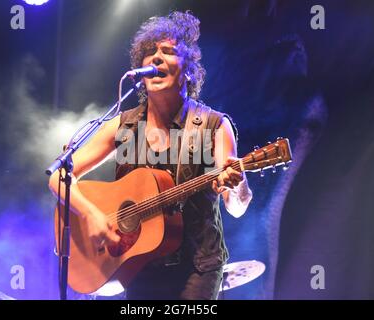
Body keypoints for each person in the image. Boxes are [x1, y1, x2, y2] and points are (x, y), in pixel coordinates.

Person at [49, 11, 253, 300]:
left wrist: (239, 184)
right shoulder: (122, 125)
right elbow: (59, 176)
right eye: (149, 53)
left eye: (167, 52)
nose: (155, 58)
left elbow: (237, 207)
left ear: (189, 71)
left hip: (198, 269)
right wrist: (93, 215)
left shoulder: (214, 125)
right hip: (139, 264)